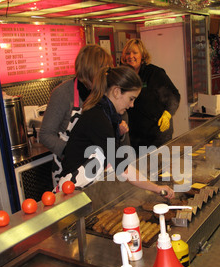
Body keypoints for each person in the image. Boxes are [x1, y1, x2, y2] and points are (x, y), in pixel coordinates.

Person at [56, 65, 174, 199]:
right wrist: (157, 188)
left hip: (85, 189)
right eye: (131, 98)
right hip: (72, 191)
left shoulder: (106, 115)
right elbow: (122, 167)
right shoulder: (98, 118)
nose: (132, 105)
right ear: (117, 92)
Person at [39, 44, 130, 187]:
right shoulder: (63, 94)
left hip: (101, 168)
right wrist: (70, 153)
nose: (108, 75)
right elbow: (45, 134)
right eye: (104, 70)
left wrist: (120, 133)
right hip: (69, 169)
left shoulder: (108, 92)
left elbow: (113, 133)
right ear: (89, 70)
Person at [121, 38, 181, 154]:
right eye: (127, 53)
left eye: (135, 52)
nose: (131, 56)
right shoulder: (124, 75)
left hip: (157, 134)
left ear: (142, 55)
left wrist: (168, 113)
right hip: (134, 136)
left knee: (159, 168)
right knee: (139, 169)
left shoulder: (154, 73)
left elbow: (174, 94)